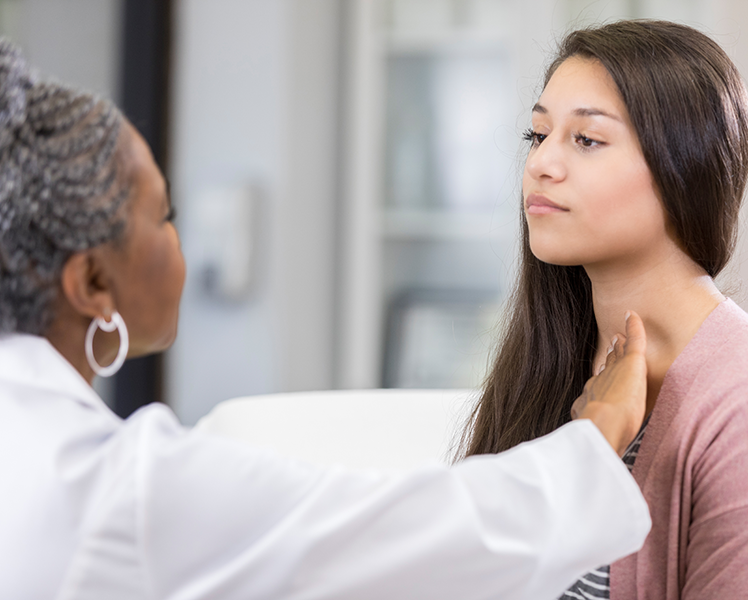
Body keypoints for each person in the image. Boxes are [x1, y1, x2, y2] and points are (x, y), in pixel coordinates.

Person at [0, 40, 653, 600]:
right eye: (163, 218)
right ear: (90, 282)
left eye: (588, 138)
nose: (542, 164)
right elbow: (424, 542)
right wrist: (595, 438)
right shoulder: (118, 490)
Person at [460, 20, 748, 600]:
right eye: (537, 135)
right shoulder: (553, 359)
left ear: (683, 167)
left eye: (586, 140)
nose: (541, 164)